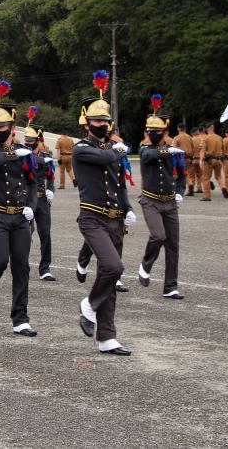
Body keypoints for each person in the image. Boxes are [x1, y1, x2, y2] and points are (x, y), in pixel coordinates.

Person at [73, 76, 134, 355]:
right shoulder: (82, 148)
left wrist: (128, 208)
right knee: (114, 267)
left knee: (108, 277)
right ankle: (89, 305)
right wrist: (117, 149)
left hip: (115, 219)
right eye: (97, 122)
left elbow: (118, 182)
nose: (103, 126)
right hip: (93, 217)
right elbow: (106, 158)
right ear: (87, 124)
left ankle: (107, 337)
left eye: (105, 121)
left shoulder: (110, 149)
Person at [0, 83, 39, 336]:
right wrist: (17, 153)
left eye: (1, 128)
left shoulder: (26, 155)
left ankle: (20, 318)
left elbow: (33, 183)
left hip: (19, 217)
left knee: (21, 266)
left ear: (12, 128)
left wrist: (31, 207)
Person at [137, 94, 187, 299]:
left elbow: (182, 174)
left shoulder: (174, 152)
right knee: (158, 235)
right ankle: (145, 265)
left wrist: (180, 193)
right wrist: (168, 151)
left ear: (165, 131)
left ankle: (170, 286)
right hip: (150, 200)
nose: (152, 134)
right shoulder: (145, 149)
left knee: (173, 245)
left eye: (156, 131)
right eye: (150, 131)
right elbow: (150, 156)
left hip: (169, 202)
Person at [23, 108, 56, 281]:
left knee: (45, 233)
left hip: (42, 198)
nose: (28, 143)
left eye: (31, 140)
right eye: (26, 140)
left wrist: (51, 189)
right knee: (26, 234)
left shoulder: (45, 155)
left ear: (39, 140)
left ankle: (45, 268)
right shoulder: (21, 154)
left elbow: (50, 176)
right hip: (26, 198)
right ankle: (23, 265)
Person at [199, 122, 224, 201]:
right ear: (213, 128)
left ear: (207, 129)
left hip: (209, 160)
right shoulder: (220, 138)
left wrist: (201, 160)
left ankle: (207, 196)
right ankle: (223, 187)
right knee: (219, 177)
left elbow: (202, 150)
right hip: (218, 160)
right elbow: (223, 150)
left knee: (205, 178)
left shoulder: (206, 138)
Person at [173, 123, 195, 196]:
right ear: (185, 129)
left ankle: (179, 189)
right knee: (187, 173)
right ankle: (191, 185)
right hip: (189, 158)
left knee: (180, 174)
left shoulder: (176, 138)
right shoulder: (190, 137)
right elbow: (193, 148)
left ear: (178, 129)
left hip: (180, 158)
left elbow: (174, 149)